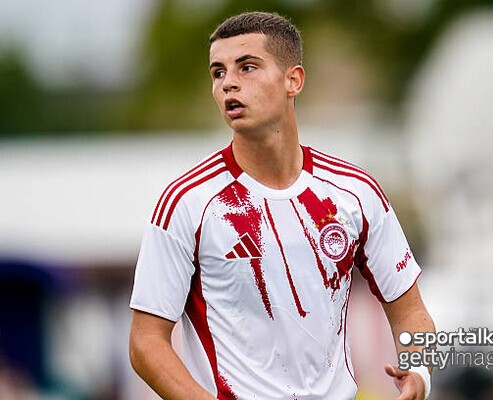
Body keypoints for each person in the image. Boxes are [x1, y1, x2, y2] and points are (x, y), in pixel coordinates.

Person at [129, 11, 435, 400]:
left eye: (247, 67)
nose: (228, 83)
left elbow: (411, 311)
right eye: (218, 72)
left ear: (294, 80)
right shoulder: (187, 202)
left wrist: (420, 372)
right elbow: (145, 342)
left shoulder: (356, 192)